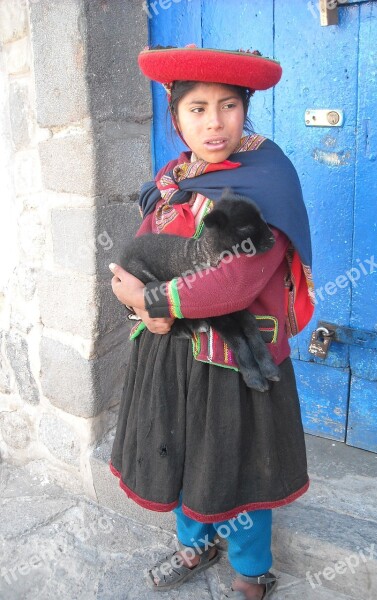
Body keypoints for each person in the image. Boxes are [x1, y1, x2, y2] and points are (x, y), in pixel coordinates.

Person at [109, 44, 315, 600]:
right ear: (175, 117)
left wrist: (153, 304)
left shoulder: (266, 180)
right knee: (179, 451)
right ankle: (193, 545)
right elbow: (136, 255)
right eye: (197, 108)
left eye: (228, 105)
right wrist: (131, 300)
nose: (214, 122)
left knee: (236, 463)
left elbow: (235, 281)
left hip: (234, 362)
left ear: (246, 109)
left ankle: (251, 570)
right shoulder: (177, 179)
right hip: (171, 353)